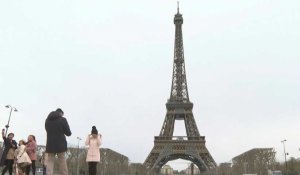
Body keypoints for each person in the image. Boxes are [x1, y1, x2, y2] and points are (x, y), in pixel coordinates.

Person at [45, 108, 72, 175]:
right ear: (61, 113)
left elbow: (47, 130)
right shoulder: (62, 119)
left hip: (50, 144)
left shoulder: (47, 120)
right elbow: (68, 133)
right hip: (60, 144)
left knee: (50, 161)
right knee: (62, 161)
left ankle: (49, 173)